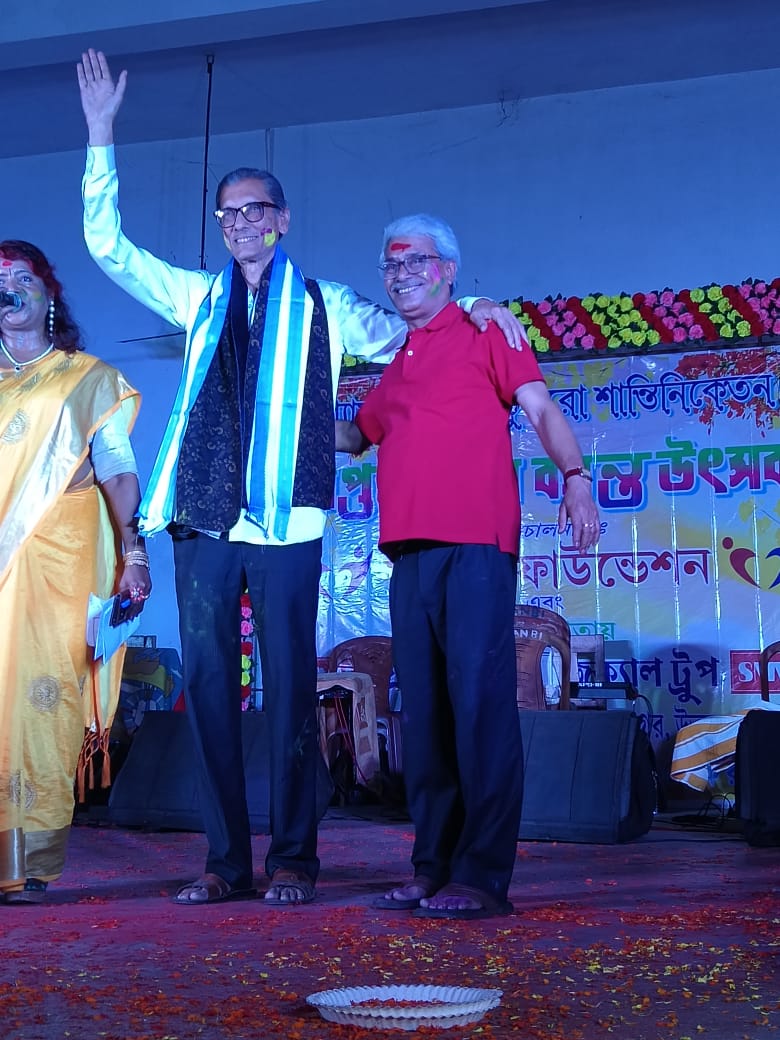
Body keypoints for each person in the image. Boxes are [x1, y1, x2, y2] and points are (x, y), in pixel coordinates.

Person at [76, 49, 525, 907]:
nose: (240, 223)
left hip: (287, 527)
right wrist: (102, 134)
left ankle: (293, 859)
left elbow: (416, 325)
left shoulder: (329, 306)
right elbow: (109, 248)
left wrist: (473, 302)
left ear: (281, 220)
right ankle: (223, 862)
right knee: (210, 692)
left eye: (255, 209)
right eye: (228, 212)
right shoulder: (195, 297)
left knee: (287, 694)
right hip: (202, 522)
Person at [335, 214, 600, 919]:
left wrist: (575, 477)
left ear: (448, 270)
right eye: (391, 266)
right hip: (409, 554)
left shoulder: (489, 332)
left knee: (480, 707)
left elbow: (541, 409)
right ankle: (432, 866)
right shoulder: (399, 361)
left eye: (414, 262)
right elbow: (355, 435)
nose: (400, 275)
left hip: (477, 547)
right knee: (425, 715)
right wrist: (276, 420)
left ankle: (481, 875)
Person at [0, 240, 150, 905]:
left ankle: (28, 861)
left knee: (41, 706)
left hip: (58, 570)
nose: (8, 288)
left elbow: (117, 471)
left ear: (49, 294)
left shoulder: (87, 379)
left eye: (21, 277)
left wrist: (134, 554)